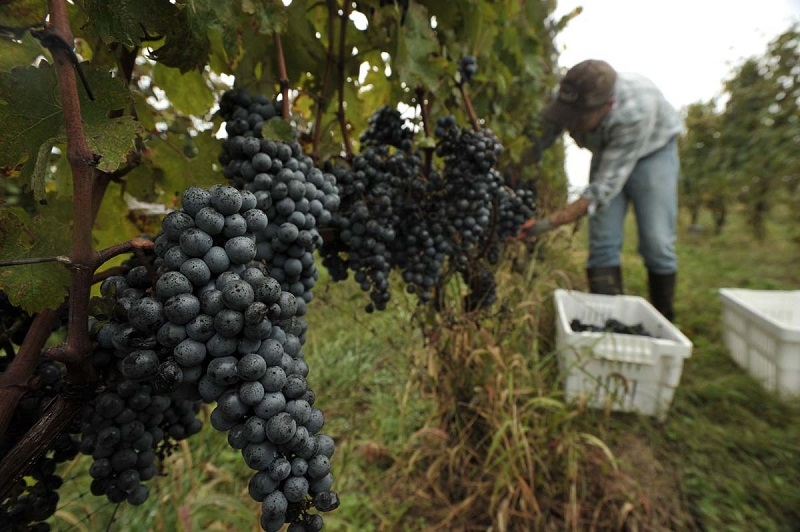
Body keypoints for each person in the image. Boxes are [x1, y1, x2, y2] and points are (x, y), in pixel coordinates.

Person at [518, 59, 683, 321]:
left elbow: (601, 191)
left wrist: (543, 225)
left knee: (656, 241)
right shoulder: (569, 99)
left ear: (607, 107)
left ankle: (664, 321)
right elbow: (538, 140)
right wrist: (510, 172)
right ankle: (610, 324)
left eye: (577, 119)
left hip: (653, 152)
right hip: (607, 149)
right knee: (603, 243)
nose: (569, 125)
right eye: (566, 116)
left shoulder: (634, 112)